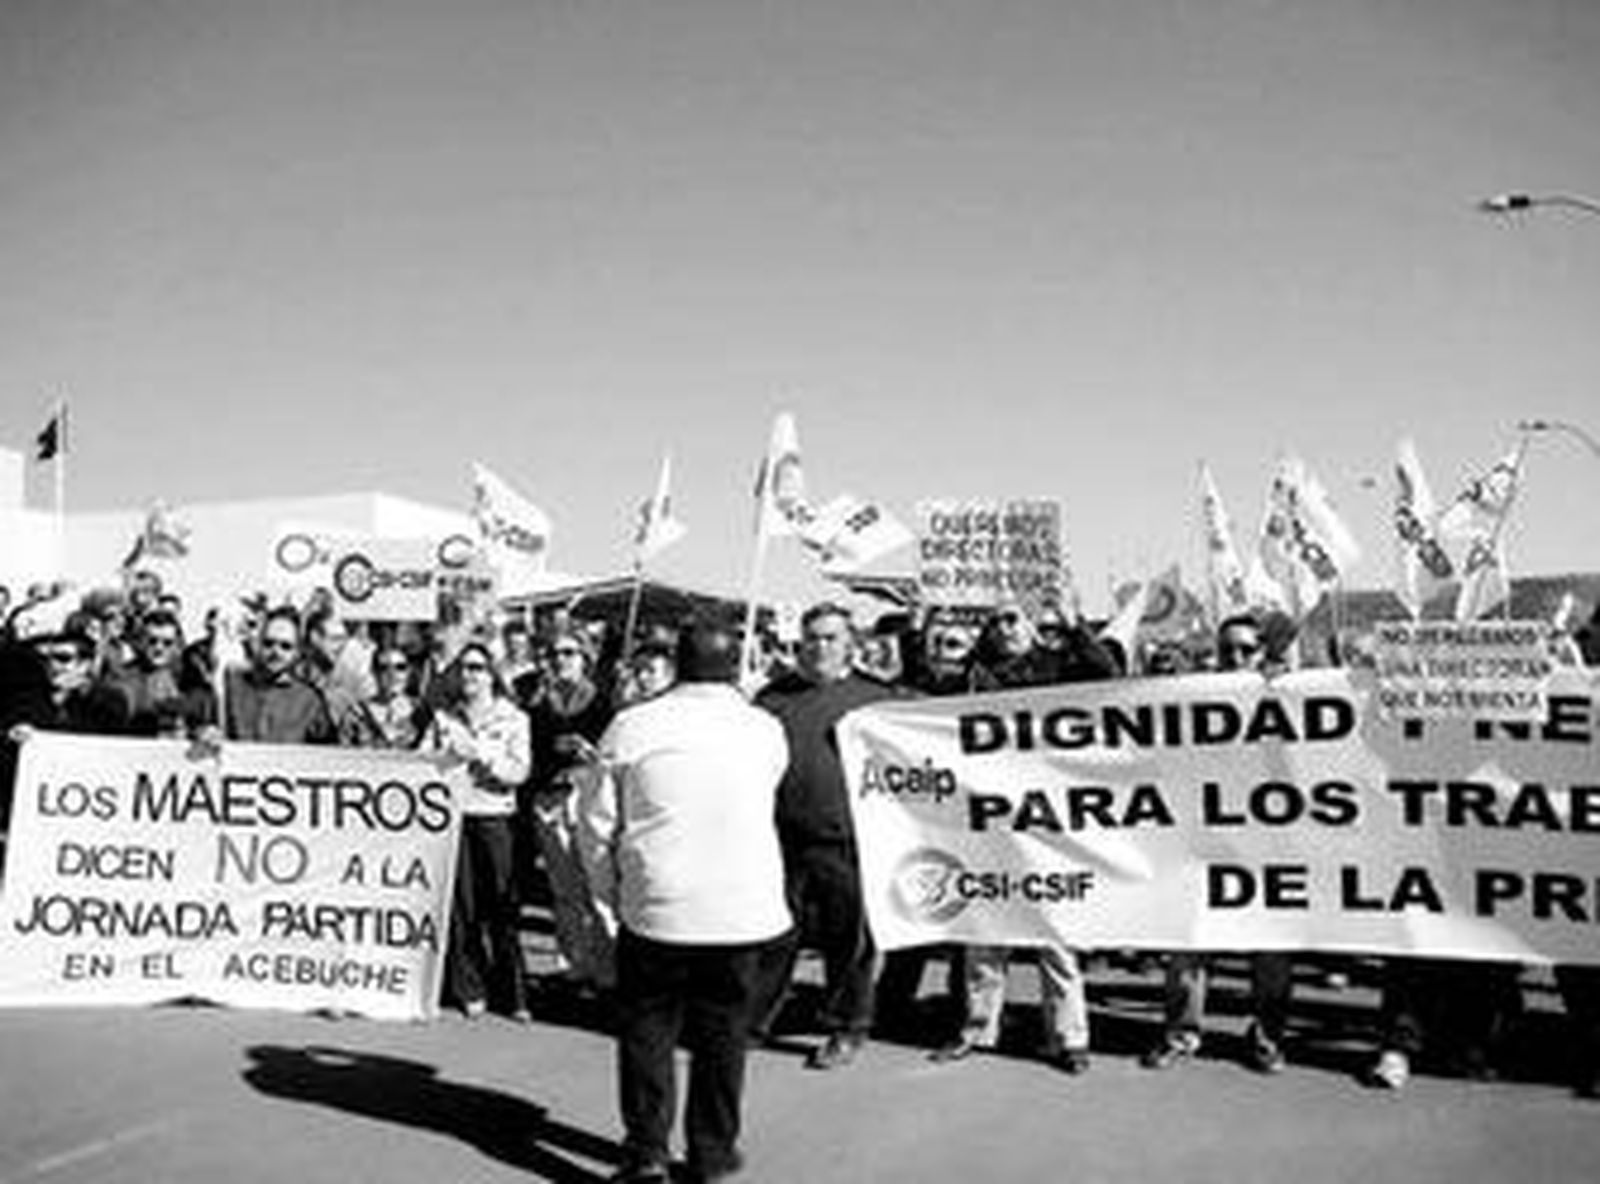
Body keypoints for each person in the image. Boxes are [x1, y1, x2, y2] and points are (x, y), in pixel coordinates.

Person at [578, 621, 790, 1184]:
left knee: (648, 1033)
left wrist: (610, 898)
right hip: (740, 910)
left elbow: (595, 827)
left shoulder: (632, 725)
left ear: (678, 663)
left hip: (659, 905)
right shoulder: (765, 728)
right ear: (732, 666)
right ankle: (712, 1153)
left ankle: (647, 1152)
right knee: (724, 1036)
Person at [931, 599, 1117, 1074]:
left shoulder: (1058, 665)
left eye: (1013, 618)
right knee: (985, 936)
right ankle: (977, 1028)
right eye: (996, 620)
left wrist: (1077, 625)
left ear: (1034, 626)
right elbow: (927, 689)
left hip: (1046, 825)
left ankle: (1069, 1038)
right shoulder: (977, 674)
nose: (1004, 627)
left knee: (1054, 936)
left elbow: (1105, 673)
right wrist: (923, 630)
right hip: (989, 823)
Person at [1141, 612, 1295, 1074]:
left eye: (1247, 649)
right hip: (1203, 841)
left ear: (1263, 653)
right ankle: (1181, 1033)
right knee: (1189, 944)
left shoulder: (1287, 697)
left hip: (1269, 844)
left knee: (1271, 951)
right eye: (1228, 649)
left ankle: (1267, 1036)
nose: (1236, 658)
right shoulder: (1193, 699)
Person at [751, 602, 901, 1071]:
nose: (819, 646)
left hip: (849, 843)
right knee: (774, 938)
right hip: (782, 840)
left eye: (830, 638)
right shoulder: (774, 698)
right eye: (812, 637)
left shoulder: (879, 701)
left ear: (850, 644)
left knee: (849, 942)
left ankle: (845, 1028)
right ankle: (753, 1022)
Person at [432, 640, 533, 1020]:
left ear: (492, 675)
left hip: (494, 818)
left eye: (477, 667)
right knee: (462, 908)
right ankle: (468, 987)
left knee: (502, 910)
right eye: (463, 667)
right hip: (457, 816)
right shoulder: (445, 716)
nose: (469, 674)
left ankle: (515, 994)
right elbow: (429, 760)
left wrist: (482, 756)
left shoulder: (514, 718)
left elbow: (519, 771)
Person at [525, 624, 617, 988]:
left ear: (585, 659)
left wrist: (589, 754)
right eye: (554, 654)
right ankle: (574, 964)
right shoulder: (537, 703)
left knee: (598, 884)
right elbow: (530, 753)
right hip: (550, 797)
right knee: (564, 890)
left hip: (589, 795)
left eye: (568, 653)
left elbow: (612, 755)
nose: (560, 660)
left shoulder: (602, 701)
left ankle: (607, 968)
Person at [220, 605, 337, 744]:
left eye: (285, 646)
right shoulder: (233, 686)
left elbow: (326, 756)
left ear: (297, 653)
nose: (276, 652)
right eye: (269, 644)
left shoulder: (310, 701)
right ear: (258, 643)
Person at [108, 609, 216, 738]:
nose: (159, 648)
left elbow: (201, 709)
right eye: (152, 641)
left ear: (177, 645)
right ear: (141, 641)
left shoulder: (191, 677)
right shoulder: (122, 675)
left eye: (167, 643)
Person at [338, 643, 433, 749]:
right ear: (373, 672)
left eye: (400, 667)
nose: (392, 674)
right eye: (383, 668)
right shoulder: (355, 714)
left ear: (409, 672)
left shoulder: (421, 712)